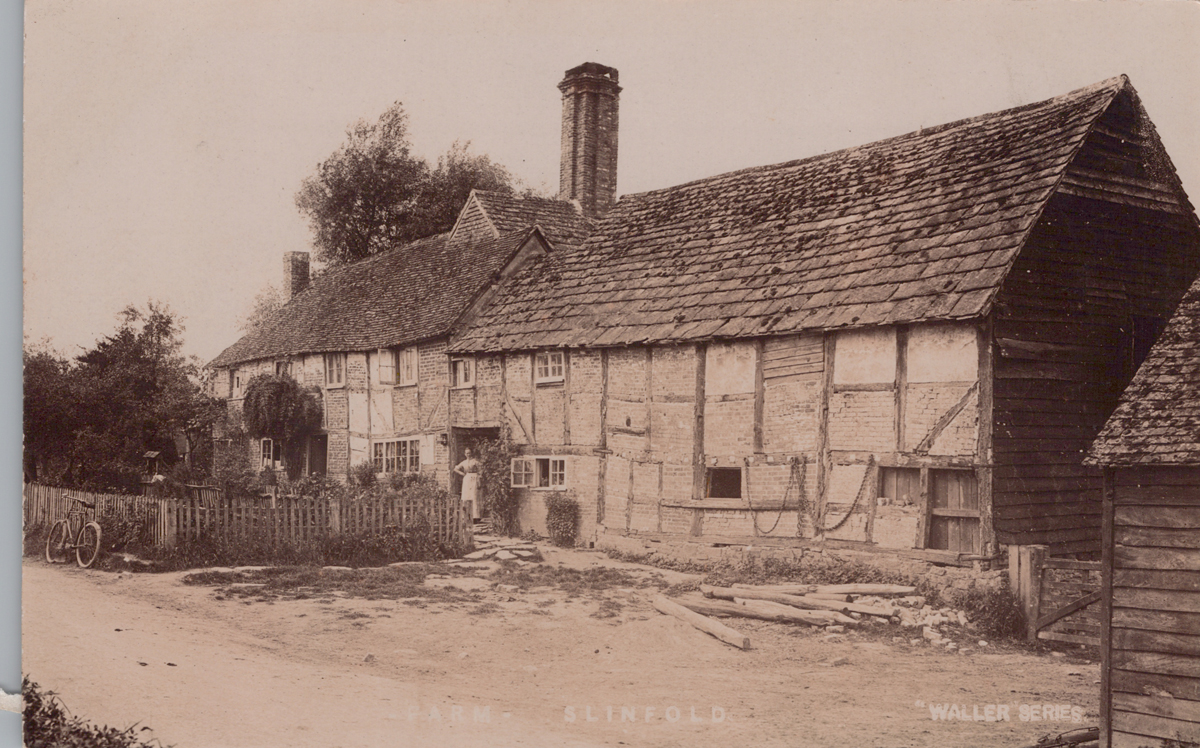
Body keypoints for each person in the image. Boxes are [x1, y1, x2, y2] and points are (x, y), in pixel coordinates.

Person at [453, 448, 482, 522]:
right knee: (466, 496)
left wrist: (479, 479)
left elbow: (480, 471)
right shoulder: (464, 462)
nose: (468, 455)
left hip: (474, 477)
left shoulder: (475, 462)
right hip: (467, 479)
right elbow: (455, 469)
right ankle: (466, 515)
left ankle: (476, 516)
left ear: (471, 453)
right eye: (466, 453)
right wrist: (462, 473)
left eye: (469, 453)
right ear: (465, 454)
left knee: (474, 496)